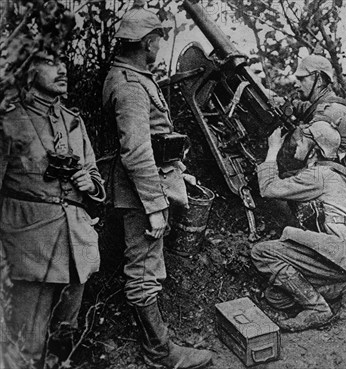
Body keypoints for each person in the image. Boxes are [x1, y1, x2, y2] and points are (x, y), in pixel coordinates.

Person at [102, 4, 212, 368]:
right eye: (156, 41)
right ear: (147, 43)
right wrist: (154, 205)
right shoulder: (130, 85)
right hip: (139, 191)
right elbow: (135, 151)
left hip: (150, 182)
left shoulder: (133, 76)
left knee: (149, 266)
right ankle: (160, 352)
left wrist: (179, 171)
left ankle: (159, 346)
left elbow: (156, 139)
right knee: (144, 270)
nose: (158, 48)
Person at [0, 50, 105, 366]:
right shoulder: (10, 123)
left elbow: (95, 175)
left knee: (64, 334)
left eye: (63, 63)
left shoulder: (74, 122)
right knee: (27, 341)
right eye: (50, 62)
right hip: (29, 245)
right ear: (29, 72)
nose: (62, 69)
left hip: (77, 245)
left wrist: (91, 184)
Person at [252, 122, 346, 332]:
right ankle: (341, 289)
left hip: (334, 254)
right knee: (276, 297)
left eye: (303, 140)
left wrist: (272, 150)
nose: (297, 142)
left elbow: (268, 189)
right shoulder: (337, 174)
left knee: (261, 253)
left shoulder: (318, 176)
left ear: (314, 150)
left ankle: (318, 309)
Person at [277, 54, 346, 174]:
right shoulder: (328, 103)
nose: (296, 85)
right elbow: (304, 108)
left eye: (302, 79)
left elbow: (298, 150)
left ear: (319, 80)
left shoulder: (328, 112)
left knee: (285, 177)